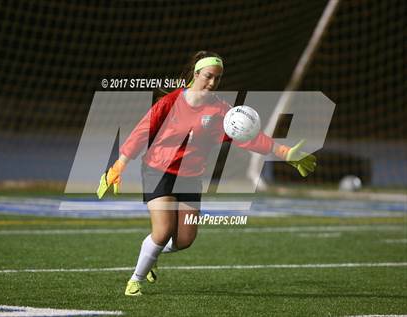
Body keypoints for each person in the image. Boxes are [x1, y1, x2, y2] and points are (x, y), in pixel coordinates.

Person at [96, 51, 316, 296]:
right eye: (208, 76)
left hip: (190, 177)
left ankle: (152, 253)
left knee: (185, 240)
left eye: (218, 79)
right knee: (163, 230)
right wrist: (119, 166)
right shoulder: (169, 103)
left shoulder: (222, 111)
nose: (212, 83)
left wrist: (285, 152)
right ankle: (135, 280)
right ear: (196, 73)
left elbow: (249, 138)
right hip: (158, 170)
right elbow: (140, 134)